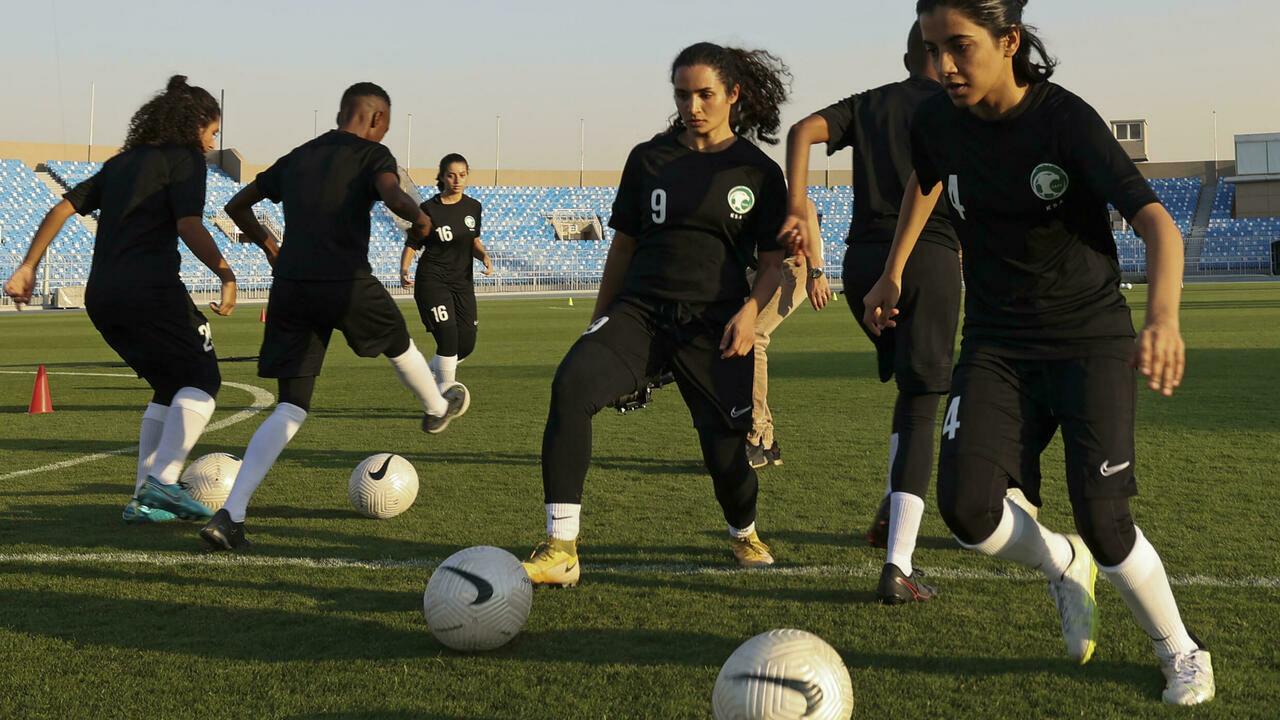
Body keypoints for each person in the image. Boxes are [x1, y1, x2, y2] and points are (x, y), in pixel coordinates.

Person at [864, 0, 1213, 704]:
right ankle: (1061, 563)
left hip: (1090, 340)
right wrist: (894, 267)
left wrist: (1164, 318)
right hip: (996, 341)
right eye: (934, 51)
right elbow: (924, 181)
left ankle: (1180, 650)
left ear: (1009, 41)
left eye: (959, 48)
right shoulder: (935, 120)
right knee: (966, 511)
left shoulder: (1065, 120)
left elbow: (1157, 225)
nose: (945, 67)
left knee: (1106, 522)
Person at [521, 42, 790, 587]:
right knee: (571, 384)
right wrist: (597, 322)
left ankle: (744, 532)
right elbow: (623, 248)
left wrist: (750, 313)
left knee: (726, 459)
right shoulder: (649, 158)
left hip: (715, 325)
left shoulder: (757, 170)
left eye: (705, 94)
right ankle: (561, 548)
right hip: (639, 314)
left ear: (733, 95)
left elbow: (772, 261)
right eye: (683, 95)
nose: (693, 105)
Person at [200, 82, 468, 551]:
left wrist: (269, 246)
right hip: (345, 280)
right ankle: (435, 406)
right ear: (378, 120)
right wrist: (420, 221)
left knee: (290, 404)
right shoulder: (373, 155)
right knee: (398, 340)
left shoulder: (299, 155)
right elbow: (393, 195)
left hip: (291, 287)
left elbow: (236, 205)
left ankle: (230, 515)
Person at [780, 21, 962, 605]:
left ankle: (892, 506)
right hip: (924, 257)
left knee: (910, 392)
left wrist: (794, 206)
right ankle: (899, 566)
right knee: (923, 401)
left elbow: (802, 130)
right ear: (940, 53)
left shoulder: (871, 102)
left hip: (862, 263)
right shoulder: (958, 106)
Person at [3, 75, 234, 525]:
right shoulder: (185, 160)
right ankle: (163, 483)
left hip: (102, 296)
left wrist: (27, 266)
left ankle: (141, 500)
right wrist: (224, 273)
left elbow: (61, 209)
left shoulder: (124, 162)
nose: (210, 144)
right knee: (204, 381)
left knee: (169, 385)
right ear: (195, 125)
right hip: (151, 290)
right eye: (211, 132)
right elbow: (189, 224)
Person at [399, 153, 493, 395]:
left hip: (462, 282)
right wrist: (404, 268)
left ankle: (428, 371)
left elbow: (473, 241)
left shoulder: (474, 207)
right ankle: (444, 396)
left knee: (467, 343)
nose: (457, 180)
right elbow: (412, 243)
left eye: (462, 175)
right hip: (433, 281)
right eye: (451, 175)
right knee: (448, 340)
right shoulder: (429, 209)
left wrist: (484, 256)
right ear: (441, 177)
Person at [744, 204, 829, 470]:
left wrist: (816, 272)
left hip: (795, 264)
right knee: (731, 331)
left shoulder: (756, 176)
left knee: (753, 336)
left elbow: (807, 206)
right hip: (765, 266)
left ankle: (754, 434)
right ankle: (767, 444)